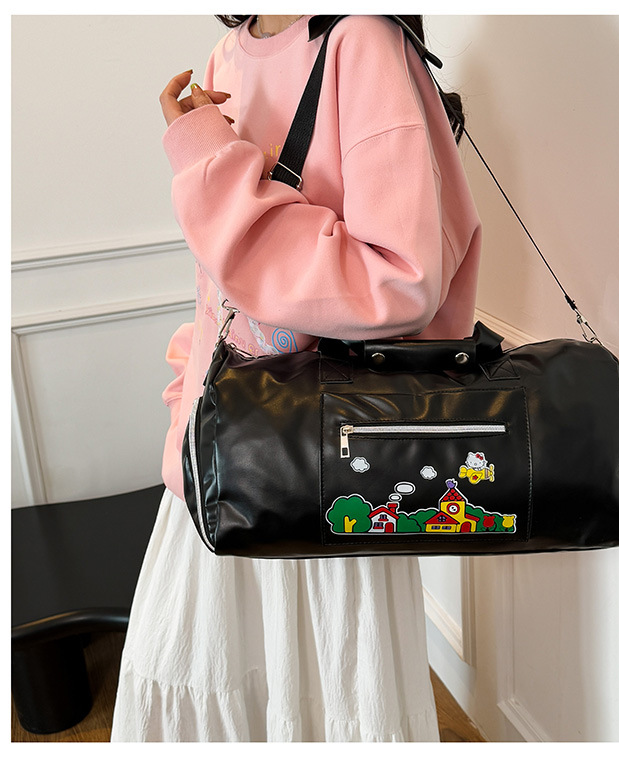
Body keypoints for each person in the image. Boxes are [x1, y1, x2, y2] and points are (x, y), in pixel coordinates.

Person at [111, 14, 481, 742]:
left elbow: (398, 283)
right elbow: (225, 277)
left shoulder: (360, 42)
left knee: (324, 701)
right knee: (203, 677)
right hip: (224, 448)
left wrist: (210, 164)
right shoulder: (226, 55)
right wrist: (191, 395)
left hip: (328, 462)